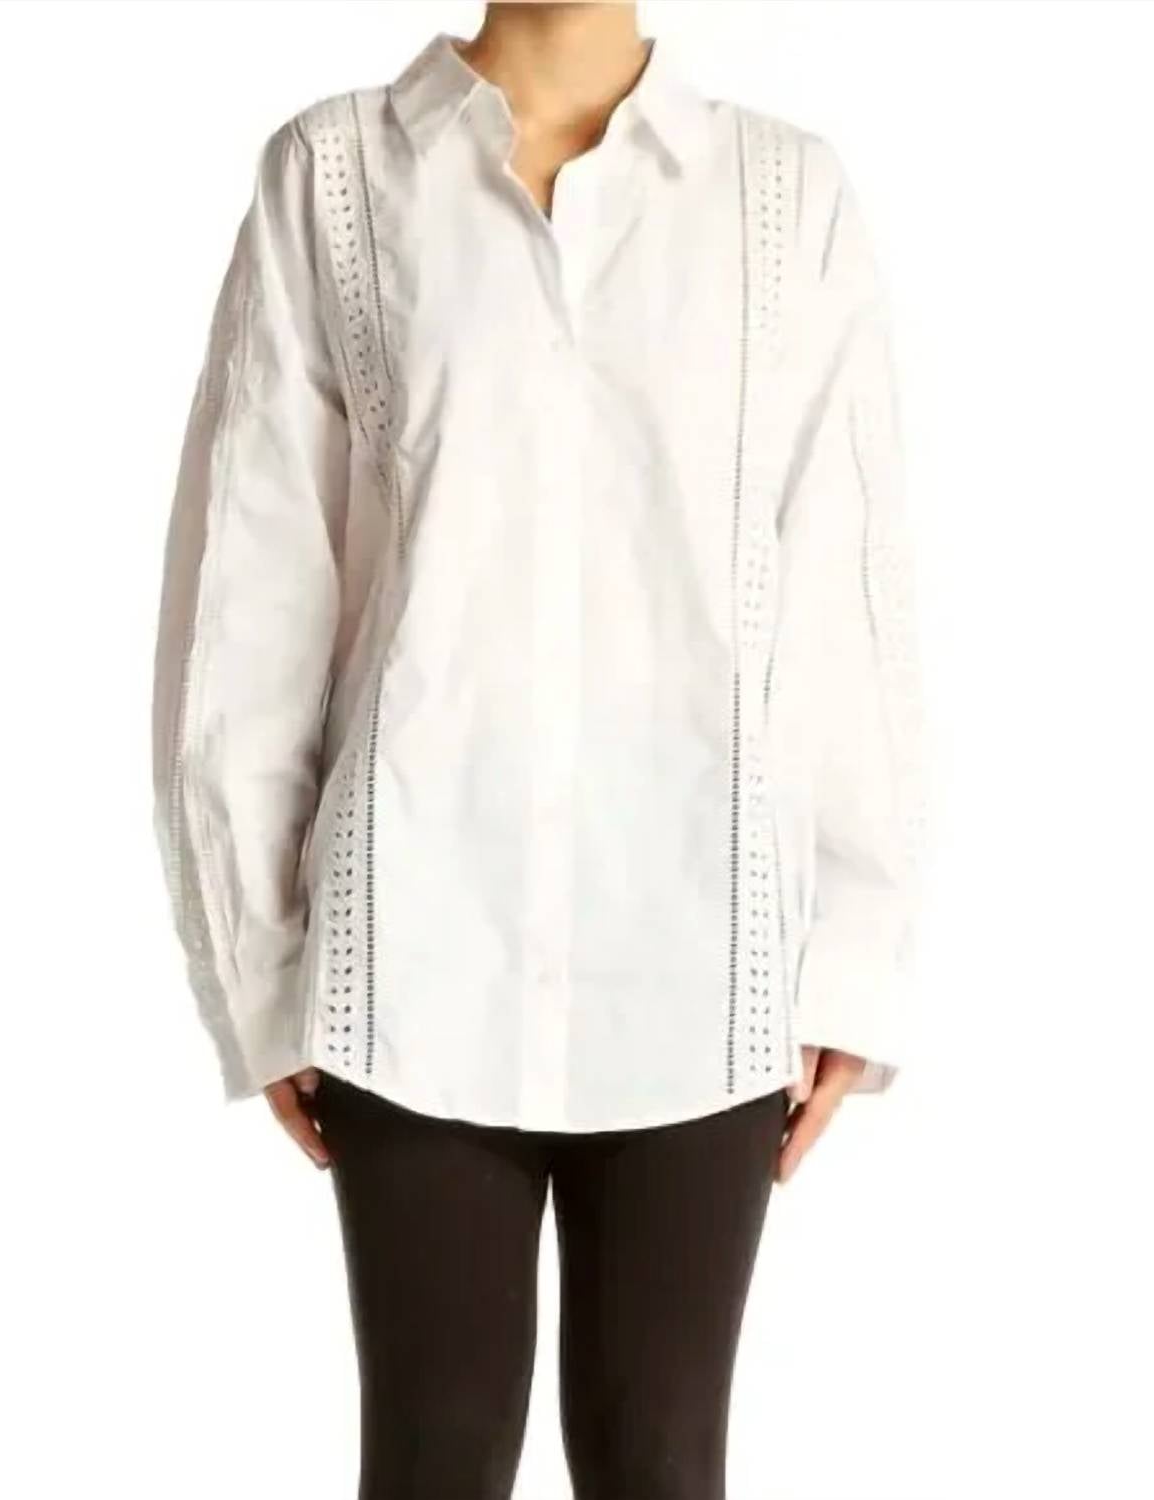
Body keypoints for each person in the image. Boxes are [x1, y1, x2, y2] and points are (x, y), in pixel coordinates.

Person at [150, 4, 924, 1496]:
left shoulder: (784, 197)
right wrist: (261, 960)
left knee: (661, 1460)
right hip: (414, 955)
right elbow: (251, 588)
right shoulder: (333, 177)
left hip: (702, 957)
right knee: (431, 1457)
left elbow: (847, 585)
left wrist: (852, 956)